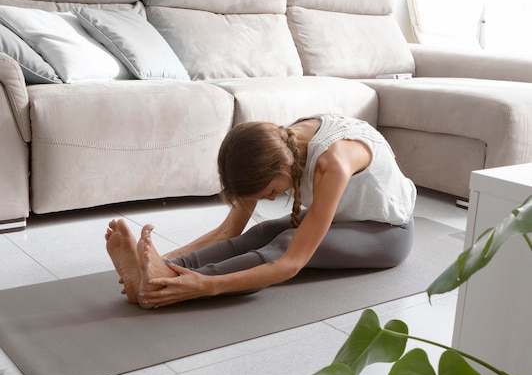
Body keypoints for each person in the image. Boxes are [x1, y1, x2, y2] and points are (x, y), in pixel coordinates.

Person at [105, 113, 417, 309]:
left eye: (268, 192)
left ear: (282, 169)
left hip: (388, 233)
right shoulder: (274, 145)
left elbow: (292, 264)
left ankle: (168, 287)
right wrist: (162, 259)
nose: (268, 200)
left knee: (284, 244)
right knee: (263, 231)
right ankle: (162, 276)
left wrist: (204, 286)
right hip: (345, 220)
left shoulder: (331, 164)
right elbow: (229, 231)